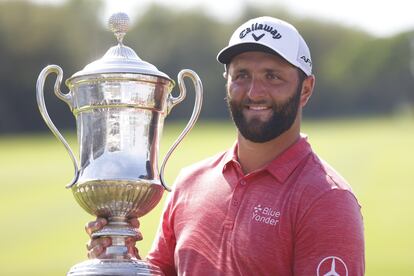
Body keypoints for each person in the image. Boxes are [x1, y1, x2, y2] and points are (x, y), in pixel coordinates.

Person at [86, 16, 365, 275]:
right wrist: (119, 257)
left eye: (272, 76)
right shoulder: (190, 183)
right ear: (227, 82)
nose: (255, 92)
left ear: (305, 89)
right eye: (242, 75)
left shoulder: (327, 200)